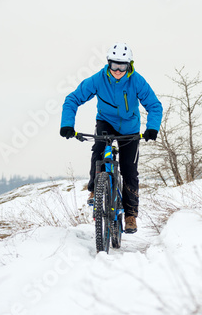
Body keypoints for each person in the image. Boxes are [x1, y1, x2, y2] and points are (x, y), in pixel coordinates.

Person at [59, 42, 163, 234]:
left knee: (129, 170)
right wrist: (67, 124)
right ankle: (94, 190)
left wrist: (152, 128)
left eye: (122, 66)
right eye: (114, 65)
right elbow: (72, 99)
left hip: (130, 128)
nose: (117, 70)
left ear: (129, 66)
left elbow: (154, 105)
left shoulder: (137, 81)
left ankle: (130, 215)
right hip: (106, 122)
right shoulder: (99, 79)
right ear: (108, 64)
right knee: (98, 151)